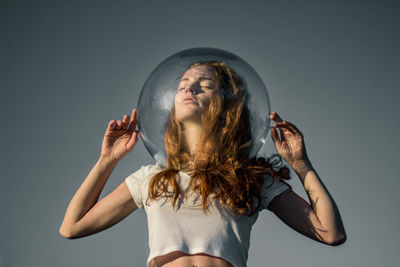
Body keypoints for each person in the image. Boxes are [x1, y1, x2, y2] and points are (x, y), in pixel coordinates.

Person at [59, 61, 346, 267]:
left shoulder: (250, 179)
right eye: (183, 85)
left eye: (204, 85)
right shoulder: (151, 178)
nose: (189, 89)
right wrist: (107, 162)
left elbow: (331, 233)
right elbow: (72, 227)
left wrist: (300, 163)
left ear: (227, 106)